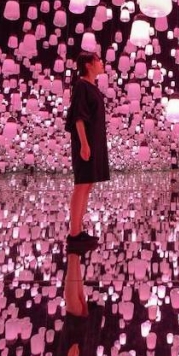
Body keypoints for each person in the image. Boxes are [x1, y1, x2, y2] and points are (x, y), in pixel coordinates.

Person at [64, 51, 109, 252]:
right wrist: (84, 143)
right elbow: (79, 117)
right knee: (81, 185)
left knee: (87, 185)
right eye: (98, 60)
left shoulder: (92, 87)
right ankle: (74, 235)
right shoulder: (82, 85)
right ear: (89, 64)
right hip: (86, 142)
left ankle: (78, 230)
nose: (102, 63)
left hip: (94, 141)